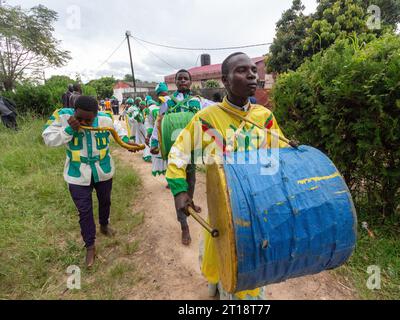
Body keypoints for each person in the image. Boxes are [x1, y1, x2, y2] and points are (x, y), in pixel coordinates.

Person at [165, 52, 288, 299]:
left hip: (257, 210)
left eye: (254, 70)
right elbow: (178, 153)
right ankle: (217, 283)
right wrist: (180, 191)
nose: (252, 75)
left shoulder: (264, 118)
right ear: (225, 80)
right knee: (219, 255)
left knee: (248, 273)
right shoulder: (206, 119)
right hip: (222, 207)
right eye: (242, 70)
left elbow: (281, 156)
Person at [42, 96, 138, 268]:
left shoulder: (105, 118)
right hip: (77, 174)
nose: (84, 122)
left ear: (96, 114)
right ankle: (90, 246)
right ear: (74, 111)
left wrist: (126, 142)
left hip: (103, 171)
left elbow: (119, 129)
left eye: (89, 119)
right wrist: (68, 131)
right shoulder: (63, 117)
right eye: (80, 118)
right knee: (84, 211)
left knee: (105, 201)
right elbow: (48, 138)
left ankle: (104, 225)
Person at [150, 70, 214, 246]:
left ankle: (190, 203)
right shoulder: (167, 102)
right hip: (174, 150)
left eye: (186, 78)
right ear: (176, 82)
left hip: (191, 148)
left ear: (191, 82)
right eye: (180, 79)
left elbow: (214, 113)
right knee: (179, 187)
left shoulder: (198, 102)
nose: (183, 81)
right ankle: (184, 225)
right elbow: (159, 122)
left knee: (191, 182)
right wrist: (154, 142)